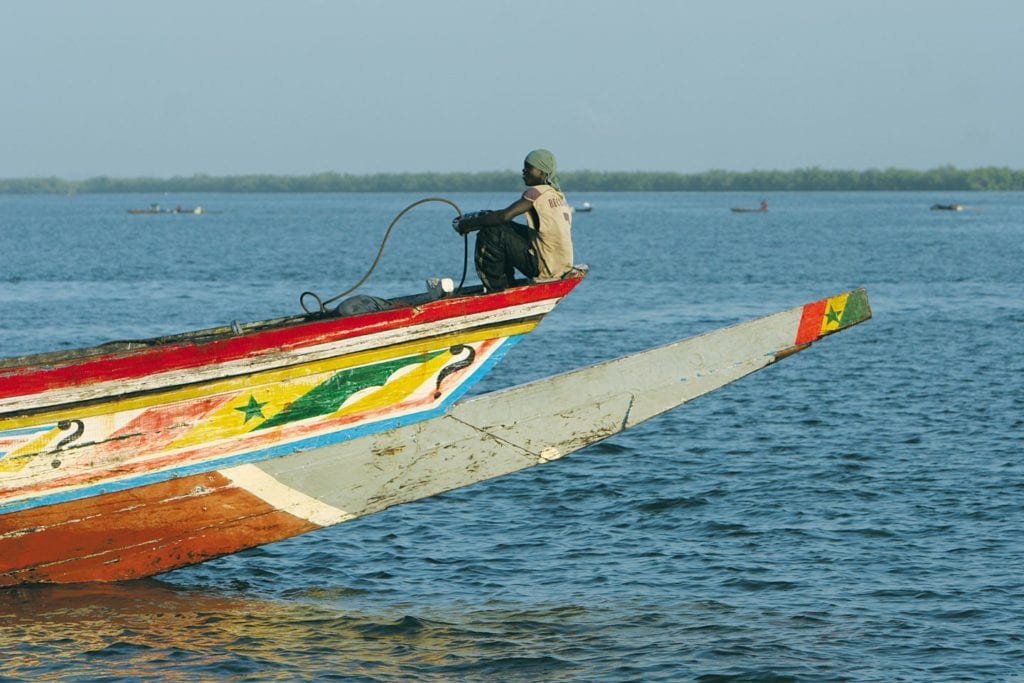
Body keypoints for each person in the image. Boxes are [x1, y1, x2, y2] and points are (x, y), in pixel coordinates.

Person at [453, 149, 573, 292]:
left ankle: (498, 288)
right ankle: (508, 283)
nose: (524, 171)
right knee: (500, 225)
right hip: (560, 265)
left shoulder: (536, 192)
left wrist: (467, 224)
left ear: (542, 172)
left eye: (528, 168)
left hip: (544, 267)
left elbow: (504, 216)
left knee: (491, 231)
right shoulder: (558, 196)